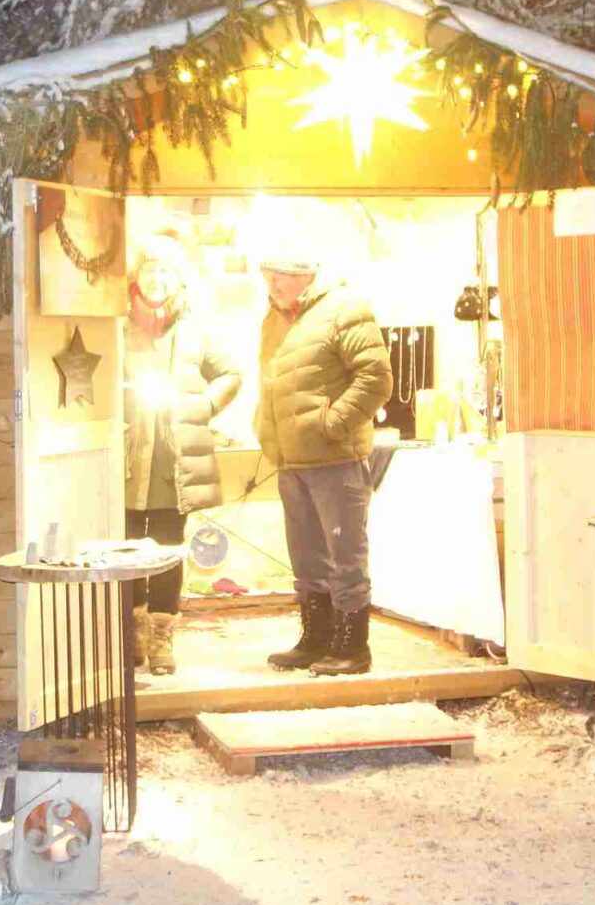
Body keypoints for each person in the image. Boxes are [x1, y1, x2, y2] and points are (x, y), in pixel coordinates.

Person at [254, 253, 392, 676]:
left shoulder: (345, 309)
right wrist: (265, 430)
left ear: (306, 275)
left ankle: (352, 647)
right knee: (306, 558)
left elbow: (376, 378)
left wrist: (333, 424)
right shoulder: (274, 320)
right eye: (269, 276)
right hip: (291, 460)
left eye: (281, 276)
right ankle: (316, 640)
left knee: (345, 556)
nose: (273, 284)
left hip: (335, 458)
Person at [120, 234, 241, 675]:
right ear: (137, 276)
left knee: (168, 550)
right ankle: (132, 634)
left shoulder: (196, 329)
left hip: (175, 464)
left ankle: (161, 638)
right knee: (126, 550)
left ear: (178, 279)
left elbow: (230, 374)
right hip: (128, 461)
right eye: (150, 269)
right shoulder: (119, 327)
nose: (157, 279)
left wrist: (203, 405)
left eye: (166, 271)